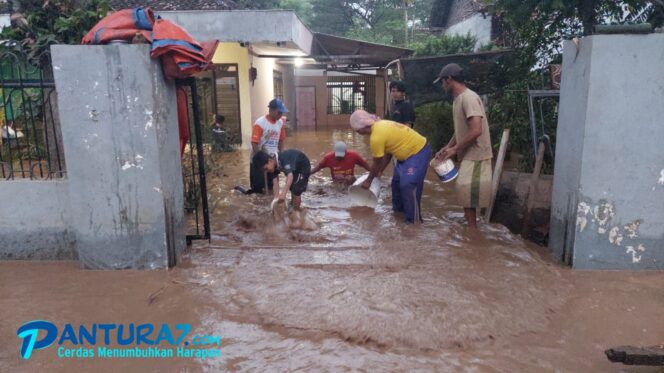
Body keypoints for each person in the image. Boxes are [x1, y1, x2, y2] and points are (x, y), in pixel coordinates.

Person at [433, 63, 493, 228]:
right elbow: (461, 129)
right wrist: (448, 146)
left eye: (442, 81)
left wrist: (454, 149)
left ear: (449, 79)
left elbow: (476, 131)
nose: (442, 85)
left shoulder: (469, 98)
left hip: (477, 154)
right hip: (468, 154)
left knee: (468, 193)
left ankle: (474, 233)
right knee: (464, 193)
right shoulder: (458, 99)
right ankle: (471, 229)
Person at [350, 110, 431, 224]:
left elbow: (377, 162)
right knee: (396, 185)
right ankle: (398, 216)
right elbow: (388, 152)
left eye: (357, 131)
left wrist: (369, 181)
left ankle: (413, 222)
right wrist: (380, 172)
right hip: (403, 156)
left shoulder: (376, 136)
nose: (358, 133)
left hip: (418, 152)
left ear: (362, 128)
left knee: (408, 185)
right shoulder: (381, 125)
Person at [249, 98, 288, 194]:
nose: (281, 115)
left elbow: (281, 140)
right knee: (258, 190)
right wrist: (261, 161)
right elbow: (254, 143)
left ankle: (271, 205)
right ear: (271, 110)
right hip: (259, 160)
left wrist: (281, 156)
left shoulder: (280, 123)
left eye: (282, 113)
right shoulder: (260, 123)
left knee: (273, 186)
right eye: (279, 112)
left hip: (273, 159)